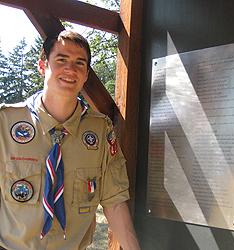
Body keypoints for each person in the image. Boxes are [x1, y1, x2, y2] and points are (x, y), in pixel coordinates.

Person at [0, 30, 140, 250]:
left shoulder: (100, 131)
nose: (70, 69)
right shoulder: (5, 124)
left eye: (79, 63)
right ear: (42, 66)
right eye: (61, 60)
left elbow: (114, 201)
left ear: (85, 75)